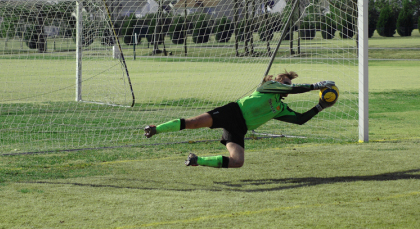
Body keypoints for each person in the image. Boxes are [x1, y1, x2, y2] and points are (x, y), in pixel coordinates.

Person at [144, 70, 336, 169]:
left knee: (237, 162)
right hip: (232, 112)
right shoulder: (268, 86)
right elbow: (293, 90)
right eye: (284, 83)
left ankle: (196, 160)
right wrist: (316, 85)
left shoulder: (280, 108)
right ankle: (155, 129)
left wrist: (320, 106)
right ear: (277, 83)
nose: (287, 86)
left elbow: (300, 120)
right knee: (193, 123)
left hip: (239, 129)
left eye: (288, 84)